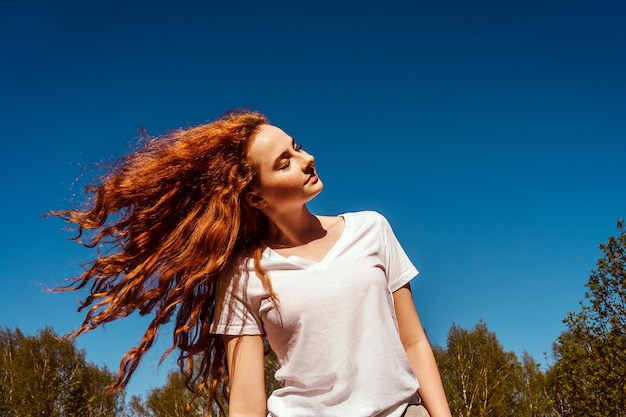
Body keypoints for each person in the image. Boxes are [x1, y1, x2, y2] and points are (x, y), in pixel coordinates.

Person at [51, 110, 451, 417]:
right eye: (284, 162)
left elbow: (413, 340)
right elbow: (245, 398)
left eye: (297, 146)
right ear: (255, 198)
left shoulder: (372, 229)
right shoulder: (243, 275)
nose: (307, 158)